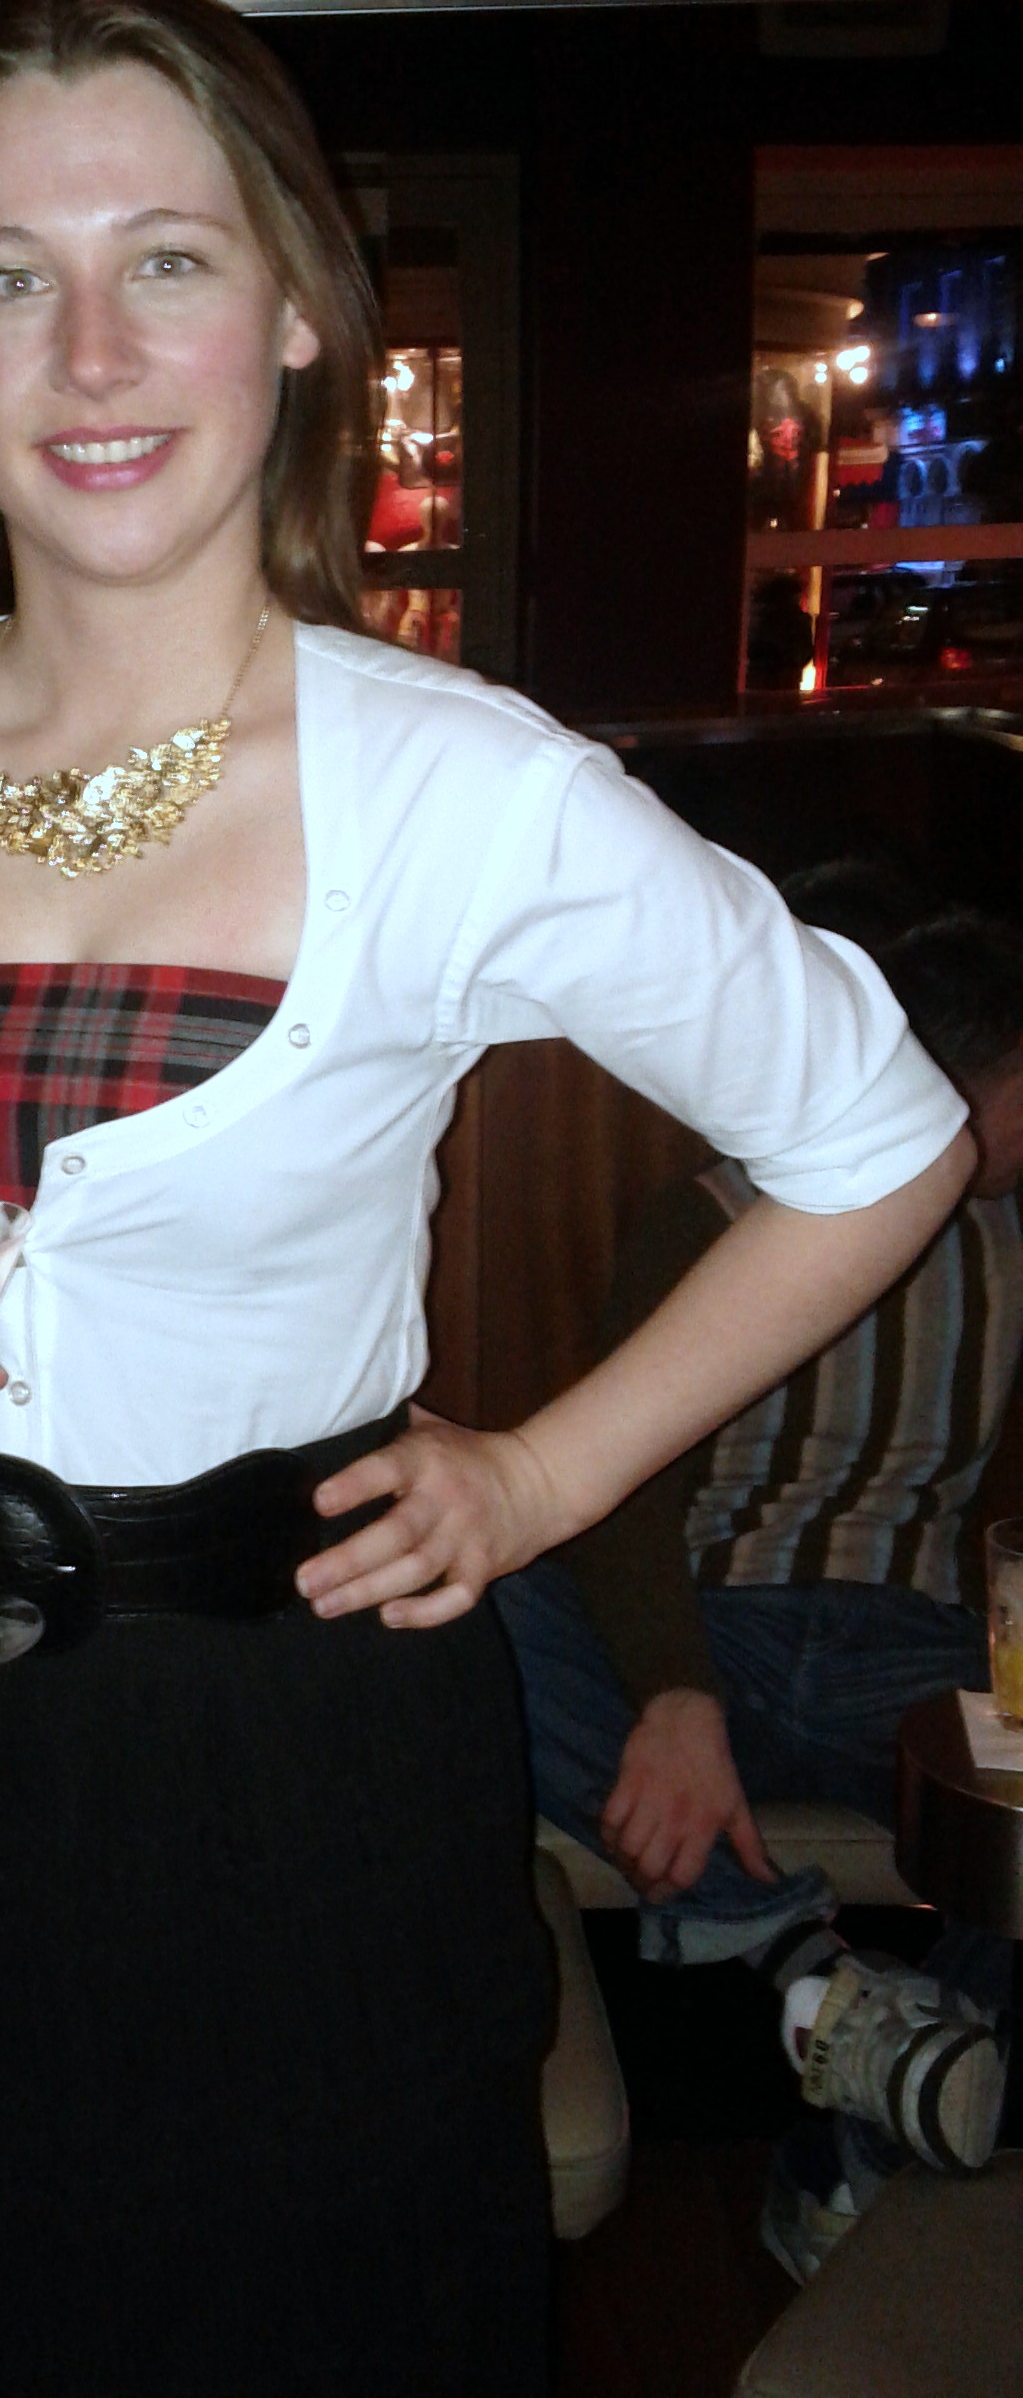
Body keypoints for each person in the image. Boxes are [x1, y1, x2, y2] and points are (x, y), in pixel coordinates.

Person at [0, 0, 974, 2397]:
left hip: (301, 1736)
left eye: (165, 257)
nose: (91, 349)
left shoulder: (462, 790)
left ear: (292, 311)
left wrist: (545, 1470)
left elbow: (878, 1137)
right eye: (10, 275)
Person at [497, 890, 1023, 2281]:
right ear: (958, 1080)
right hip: (706, 1628)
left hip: (908, 1655)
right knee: (466, 1605)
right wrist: (676, 1691)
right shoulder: (712, 1214)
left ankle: (864, 2144)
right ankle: (808, 1972)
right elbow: (617, 1493)